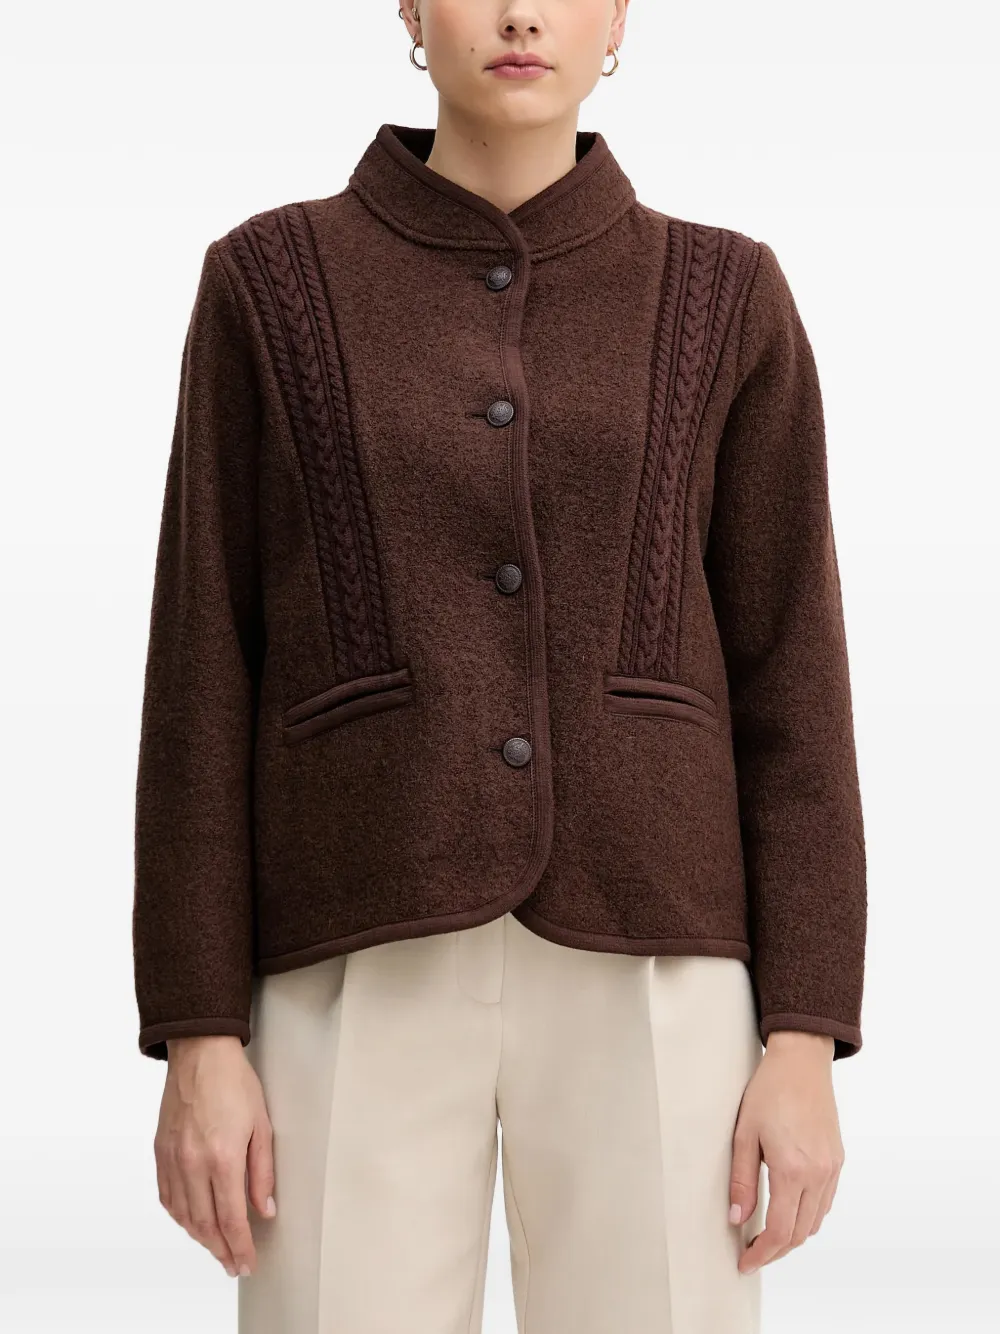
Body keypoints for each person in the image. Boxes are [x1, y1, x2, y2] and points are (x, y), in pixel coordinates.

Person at [131, 3, 868, 1331]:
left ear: (620, 17)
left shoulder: (725, 295)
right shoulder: (269, 284)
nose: (522, 12)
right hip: (349, 946)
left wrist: (806, 1033)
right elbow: (200, 671)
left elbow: (795, 681)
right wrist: (199, 1031)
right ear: (411, 10)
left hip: (658, 952)